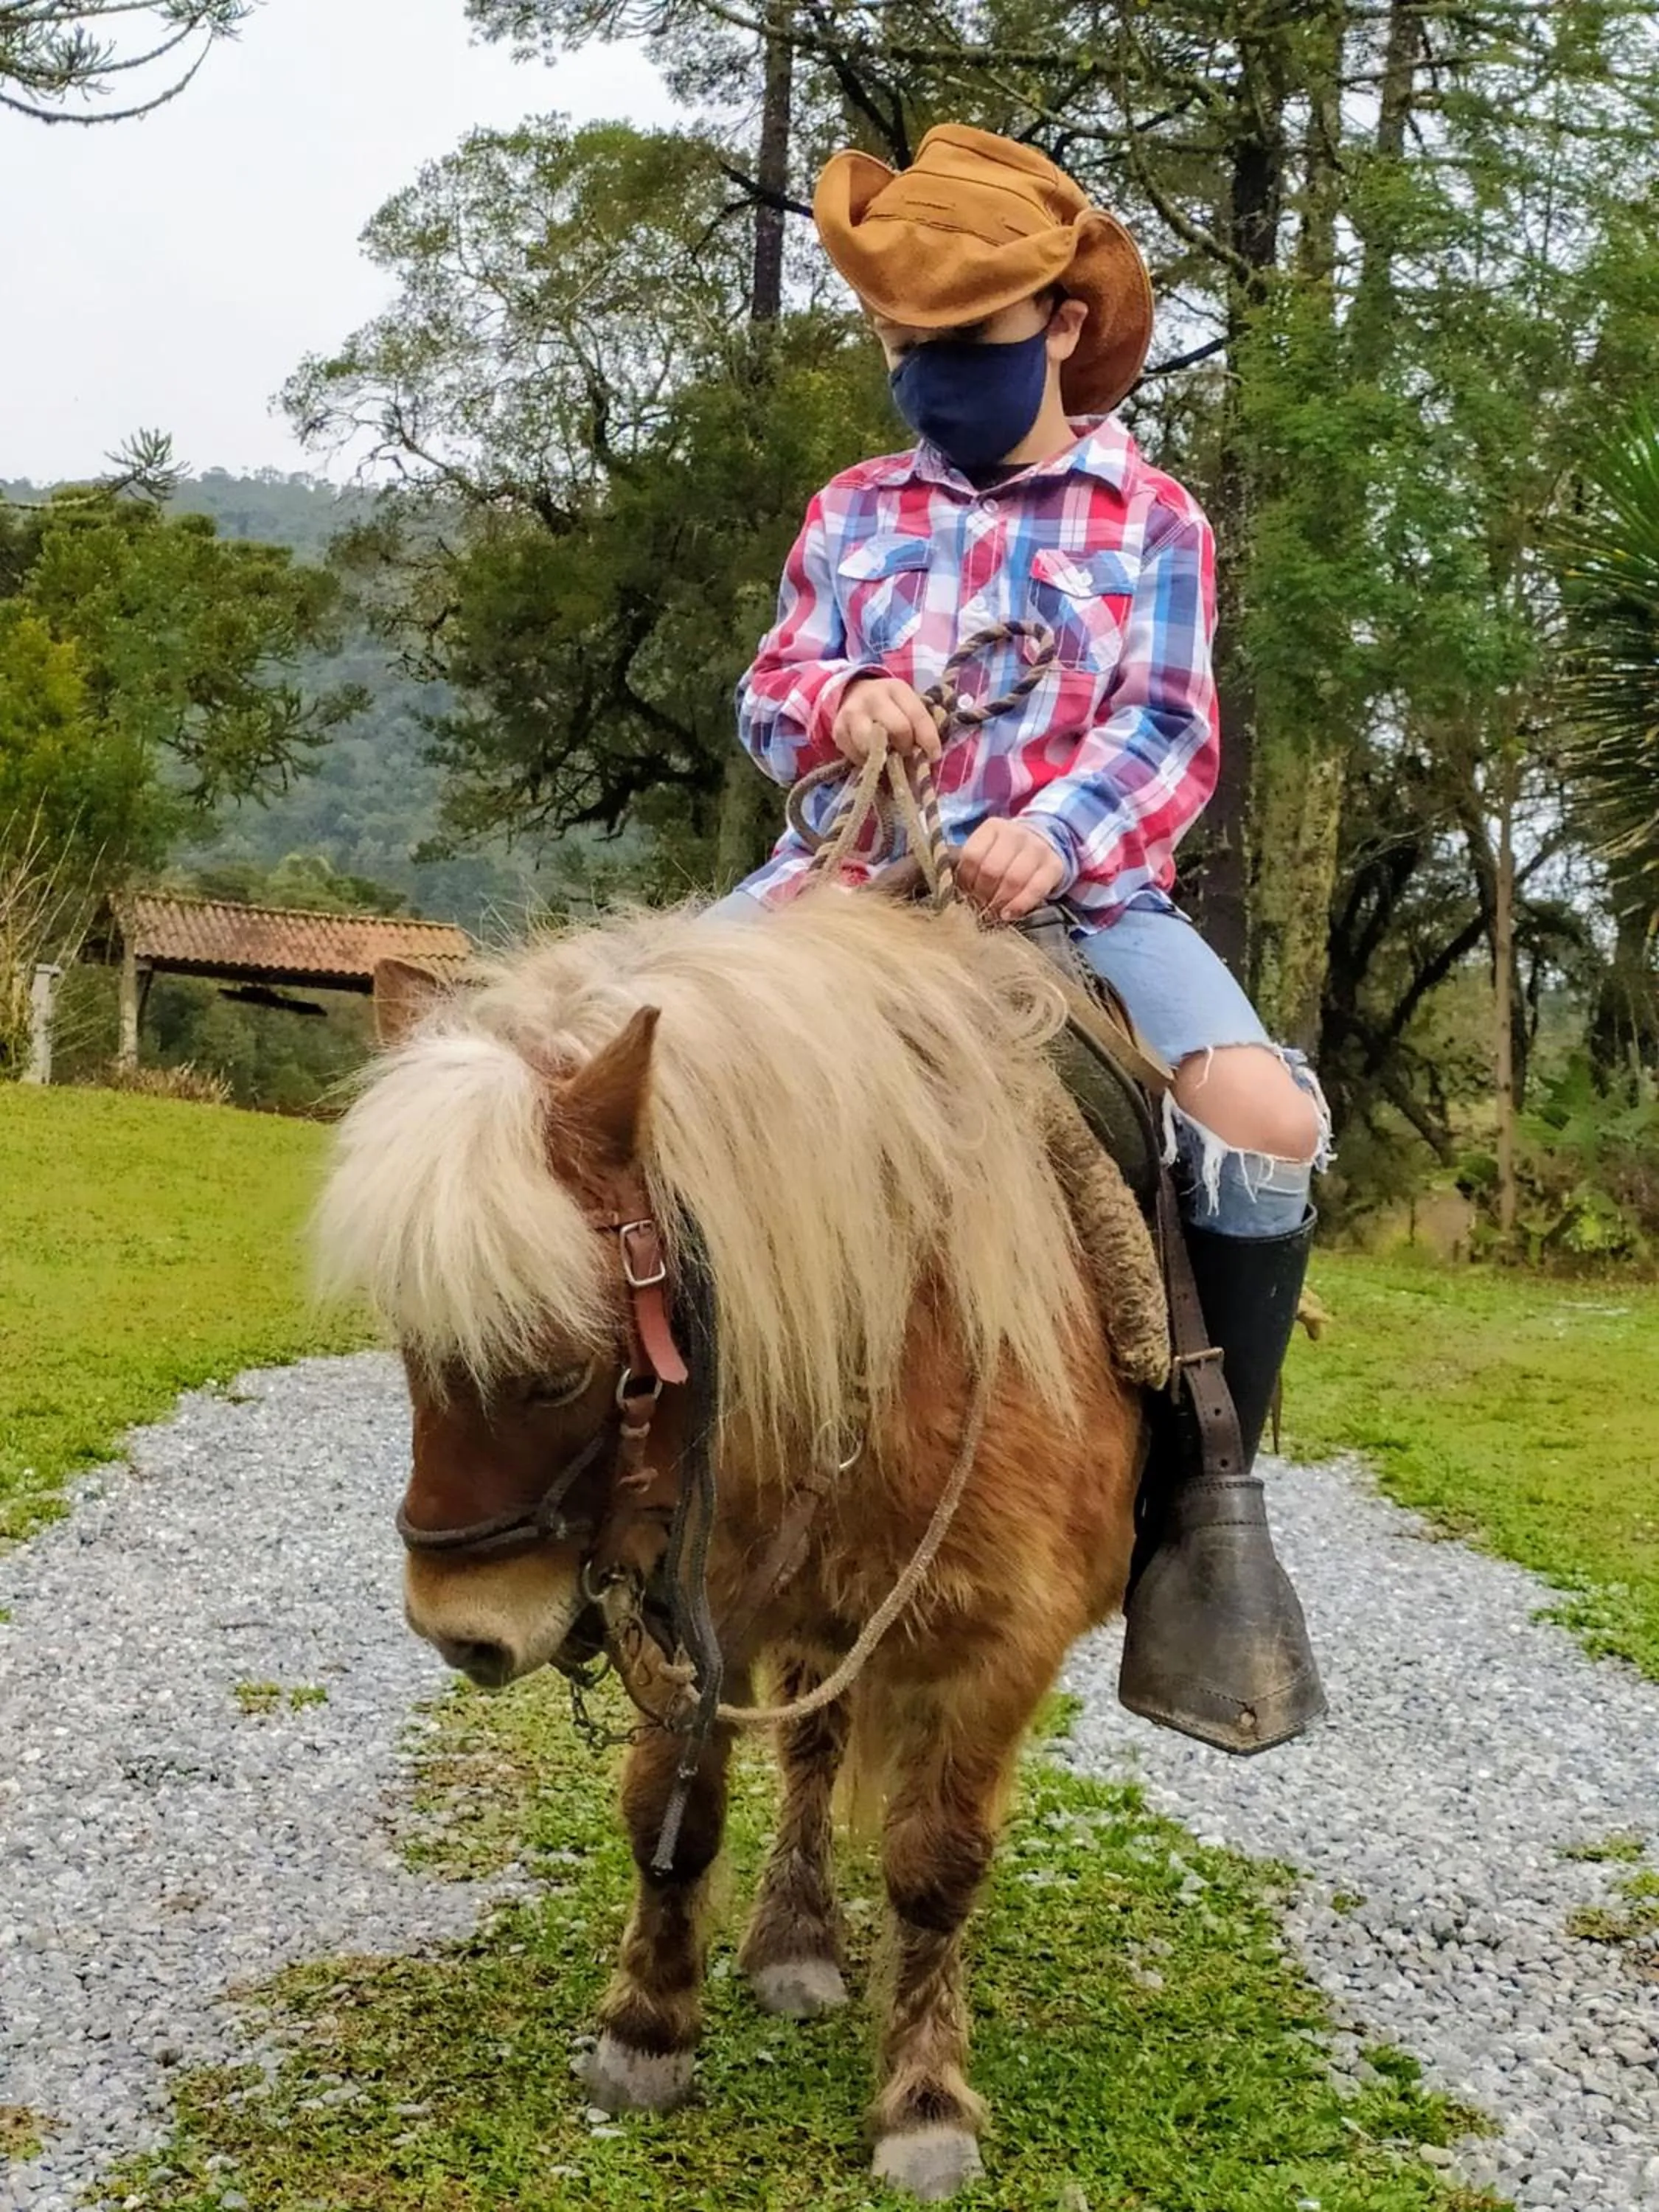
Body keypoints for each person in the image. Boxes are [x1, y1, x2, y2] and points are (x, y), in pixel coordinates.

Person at [717, 125, 1328, 1753]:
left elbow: (1172, 730)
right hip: (839, 892)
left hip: (1088, 901)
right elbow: (770, 691)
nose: (925, 380)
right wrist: (841, 702)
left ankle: (1209, 1504)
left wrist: (1049, 833)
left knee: (1267, 1124)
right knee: (619, 1073)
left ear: (1060, 323)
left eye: (961, 348)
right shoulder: (852, 510)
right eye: (902, 350)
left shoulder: (1156, 523)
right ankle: (640, 1471)